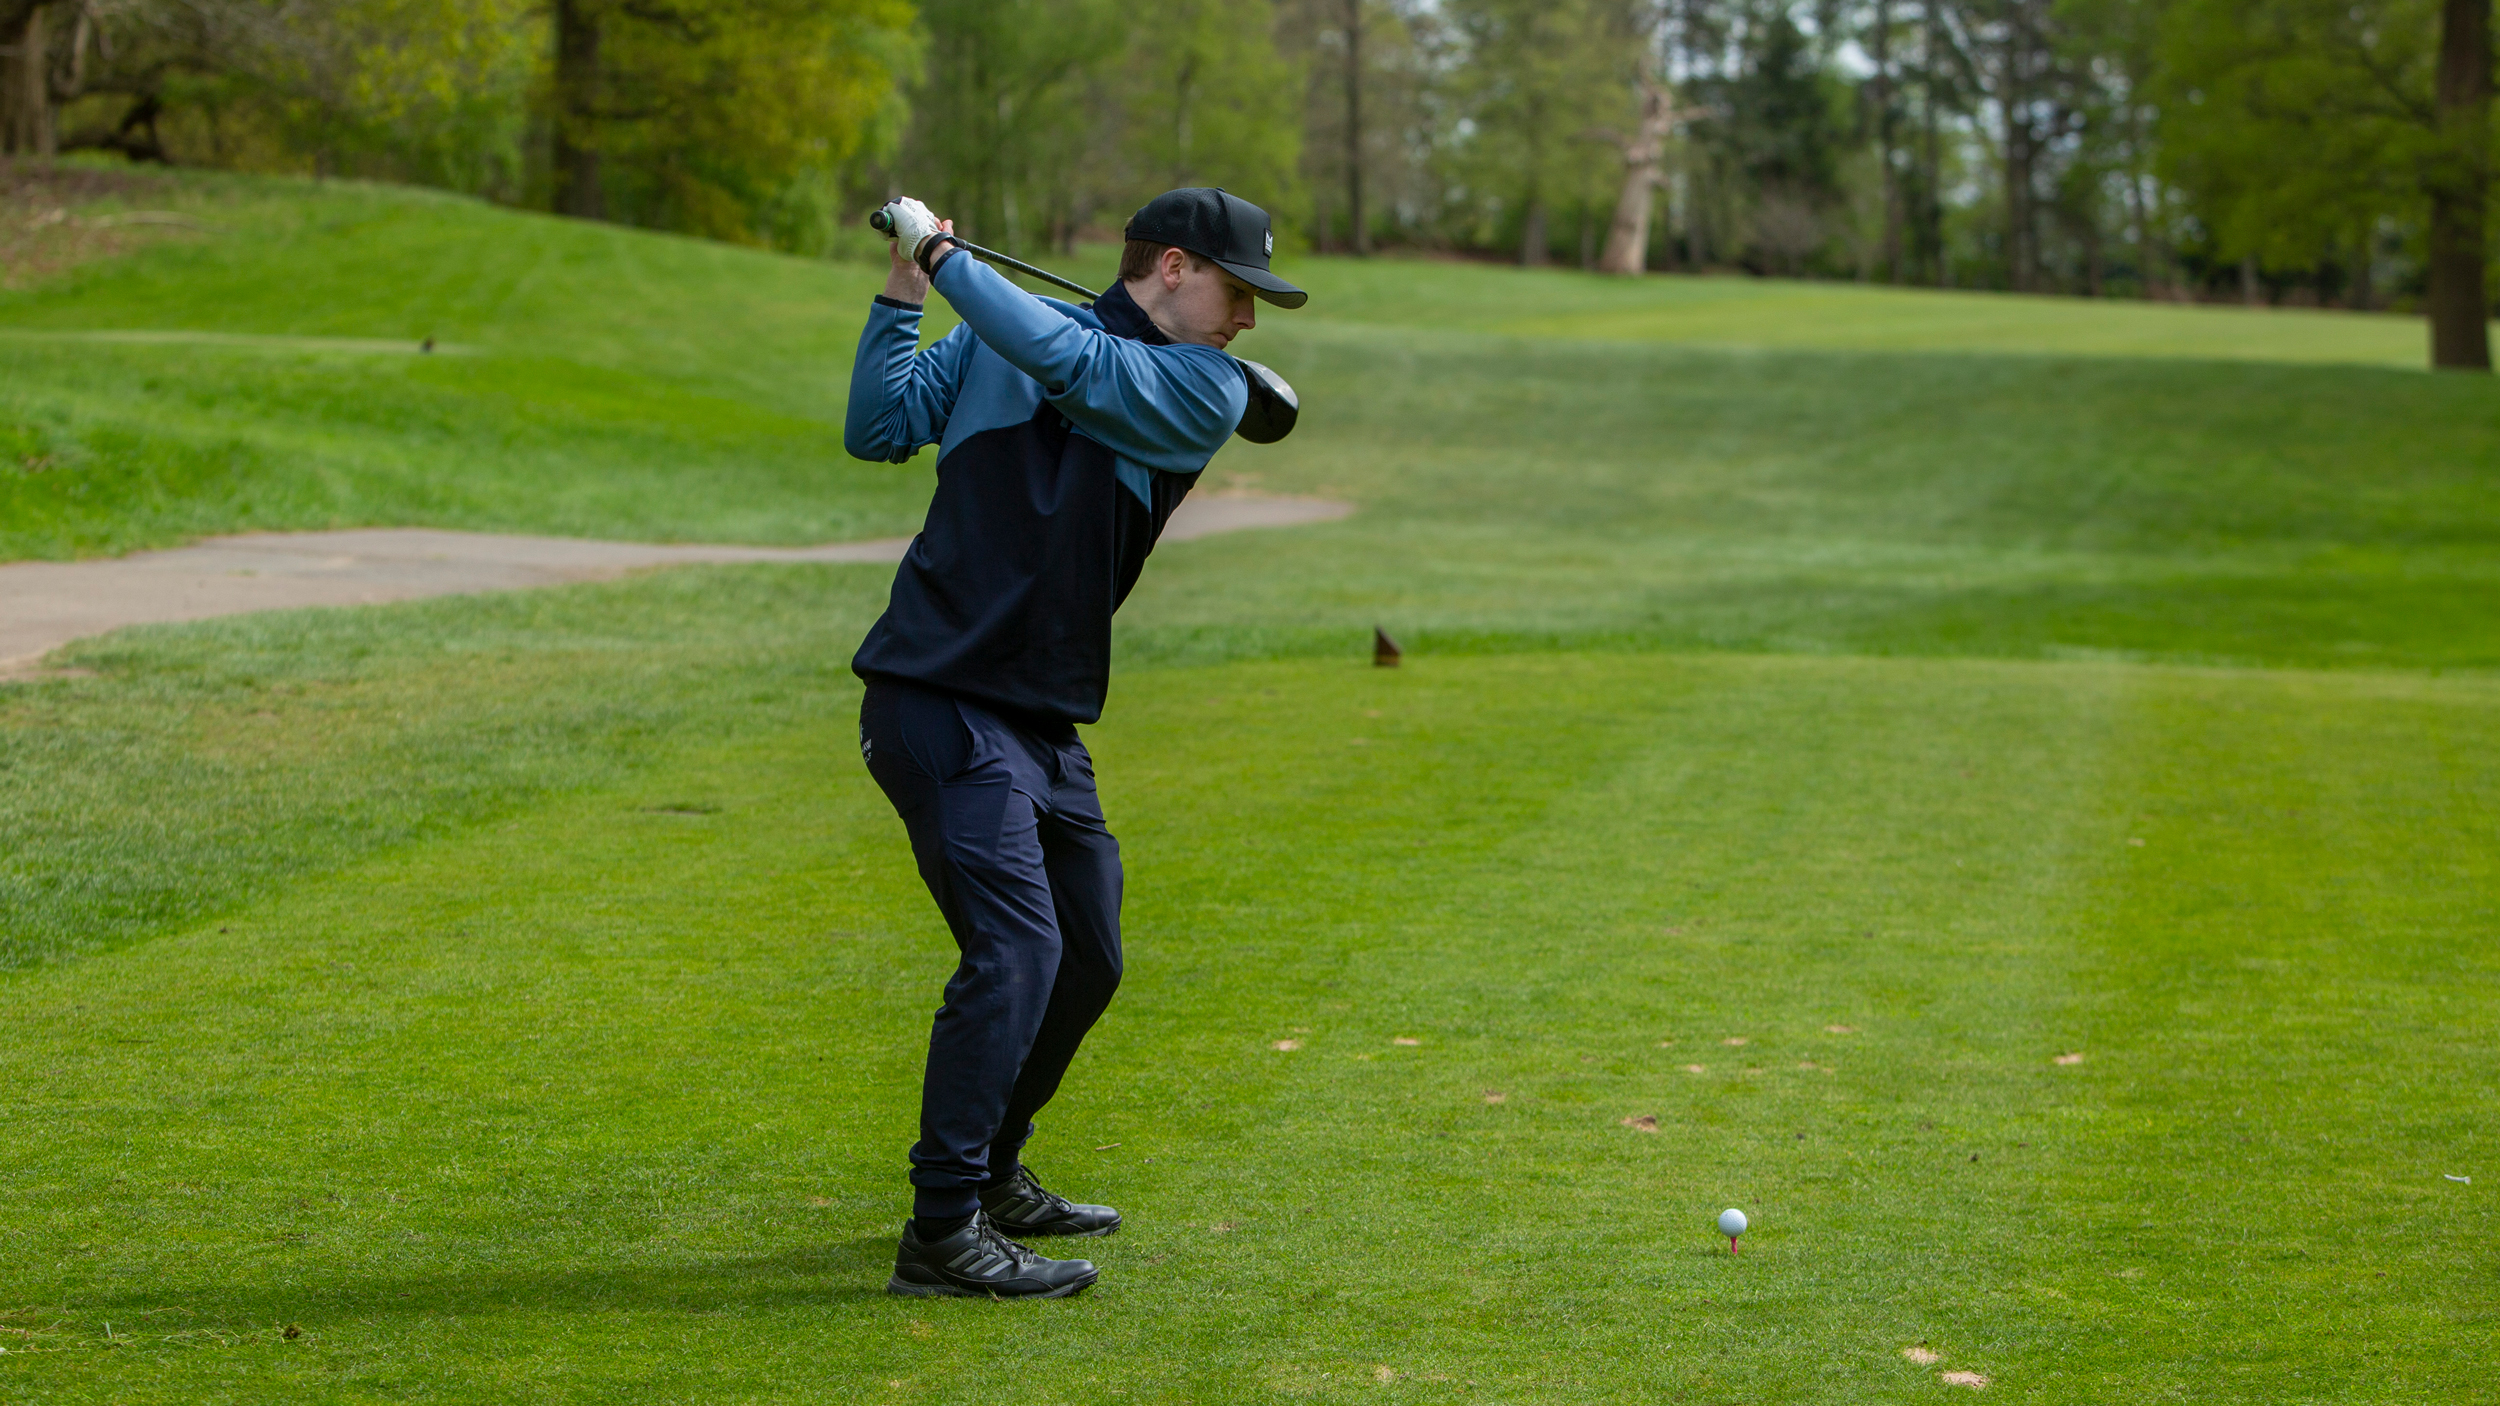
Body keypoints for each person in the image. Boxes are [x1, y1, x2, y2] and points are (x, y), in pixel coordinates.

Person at [843, 188, 1306, 1299]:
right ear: (1178, 267)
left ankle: (995, 1170)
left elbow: (1076, 366)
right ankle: (943, 1228)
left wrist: (947, 256)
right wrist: (908, 282)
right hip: (936, 692)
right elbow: (879, 425)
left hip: (1038, 715)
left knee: (1086, 951)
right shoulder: (1000, 338)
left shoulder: (1201, 388)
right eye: (1240, 292)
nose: (1249, 321)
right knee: (1015, 953)